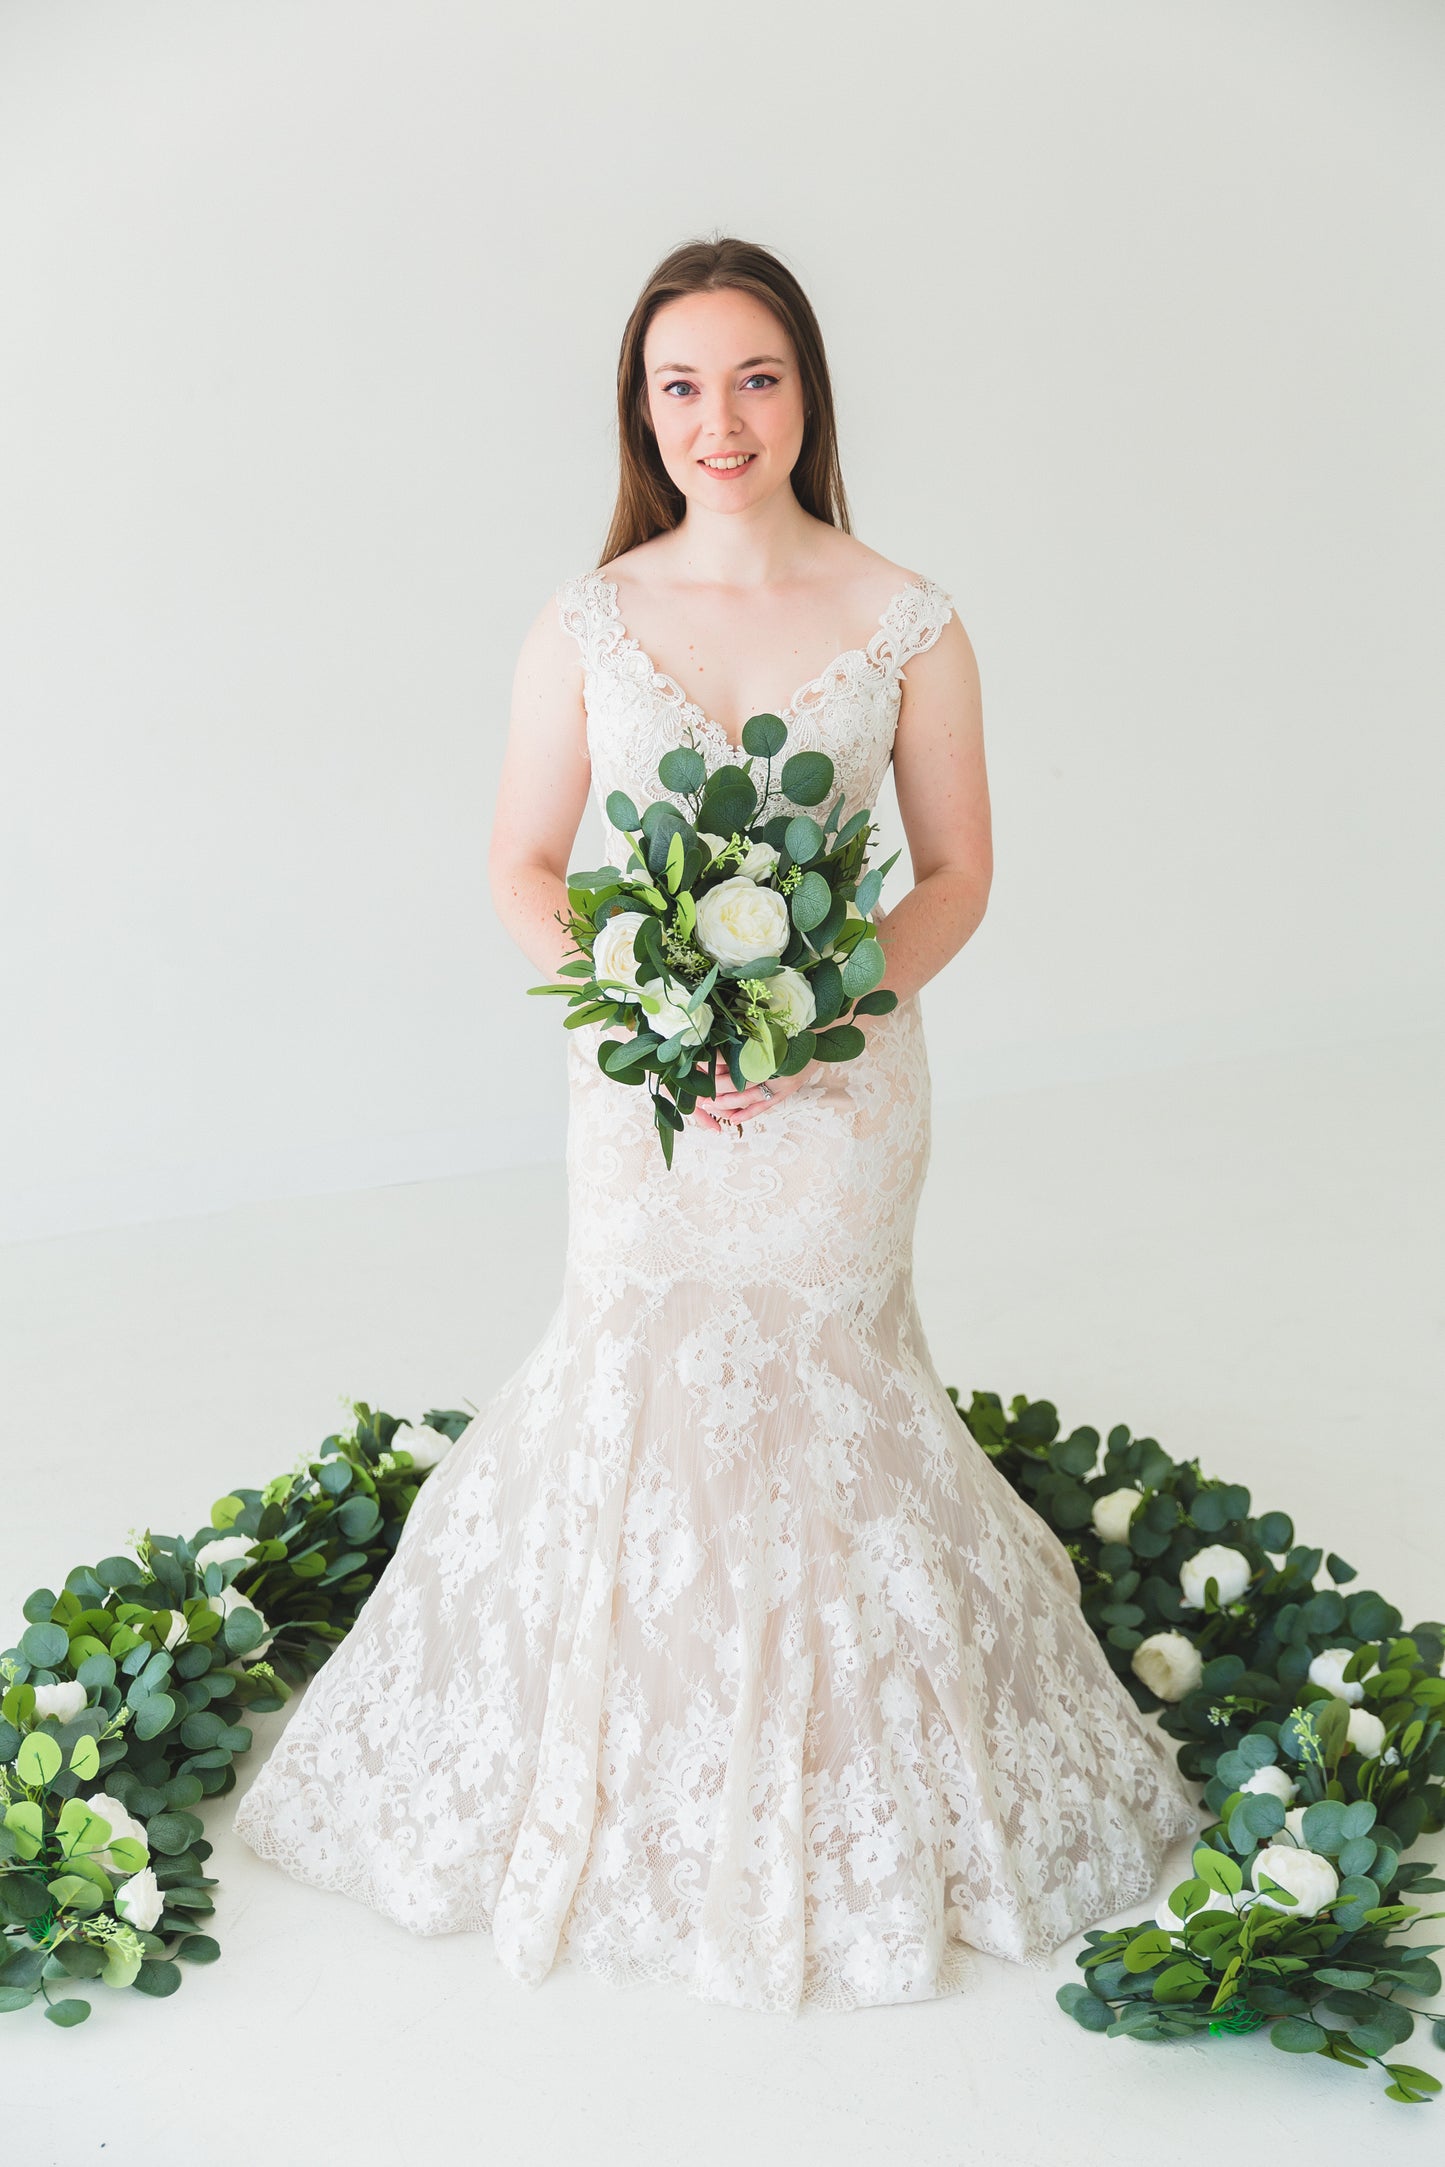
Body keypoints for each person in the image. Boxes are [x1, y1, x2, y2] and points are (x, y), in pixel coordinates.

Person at [233, 234, 1206, 2012]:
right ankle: (630, 1742)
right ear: (640, 409)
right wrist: (650, 1008)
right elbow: (526, 861)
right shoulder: (589, 618)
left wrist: (821, 1008)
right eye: (679, 385)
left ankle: (857, 1768)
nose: (718, 418)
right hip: (647, 1096)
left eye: (753, 377)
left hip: (844, 1089)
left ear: (808, 391)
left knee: (821, 1391)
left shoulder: (906, 615)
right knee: (637, 1379)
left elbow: (961, 870)